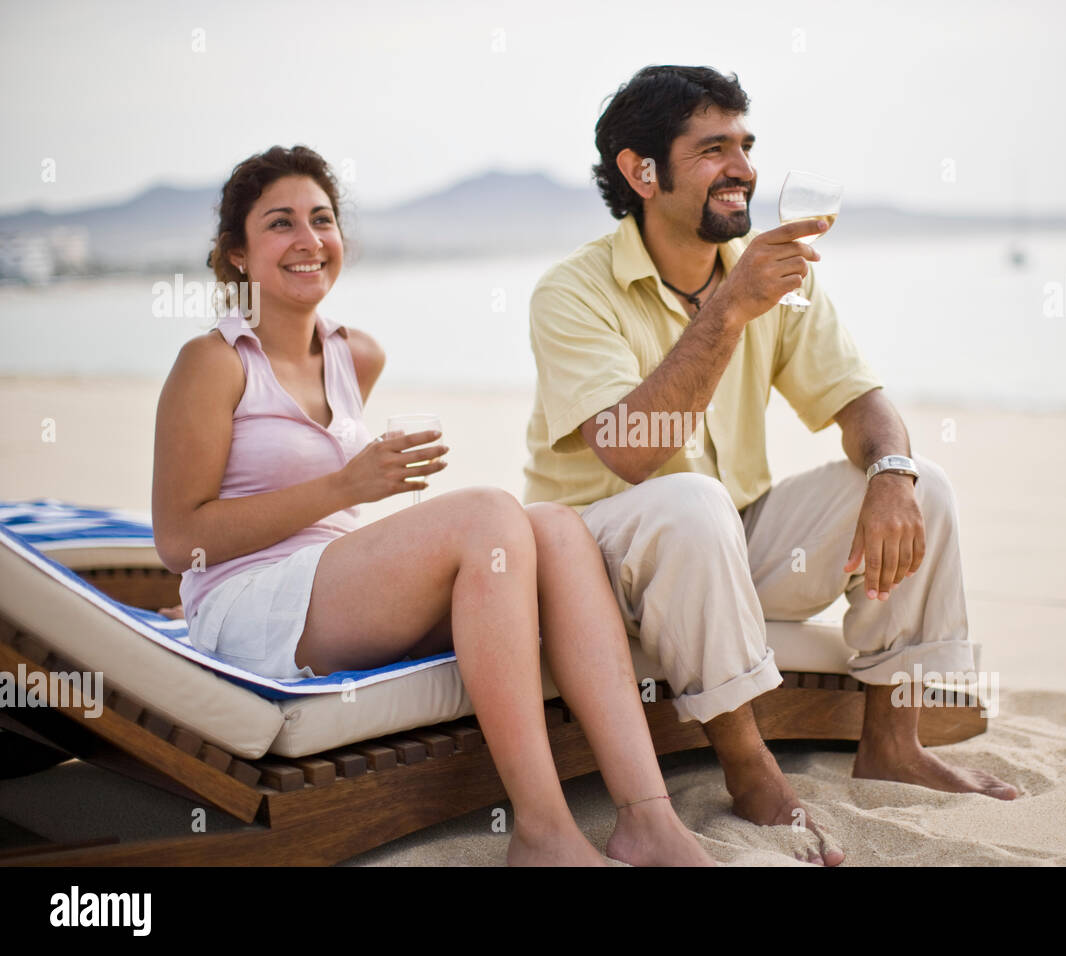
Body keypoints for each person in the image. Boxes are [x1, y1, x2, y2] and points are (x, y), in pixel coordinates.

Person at [151, 144, 714, 867]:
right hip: (247, 607)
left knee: (553, 528)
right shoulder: (214, 361)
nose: (308, 239)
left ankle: (649, 820)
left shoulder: (357, 355)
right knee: (487, 516)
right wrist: (345, 487)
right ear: (238, 254)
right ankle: (543, 832)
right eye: (280, 223)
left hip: (327, 590)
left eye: (321, 219)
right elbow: (179, 541)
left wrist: (355, 498)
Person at [523, 66, 1020, 867]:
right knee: (688, 502)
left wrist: (891, 472)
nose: (744, 169)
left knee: (918, 482)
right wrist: (730, 310)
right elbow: (632, 450)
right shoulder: (571, 293)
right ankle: (749, 771)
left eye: (746, 146)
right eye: (713, 149)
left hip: (730, 544)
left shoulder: (772, 277)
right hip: (600, 570)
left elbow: (861, 401)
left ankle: (894, 744)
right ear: (641, 171)